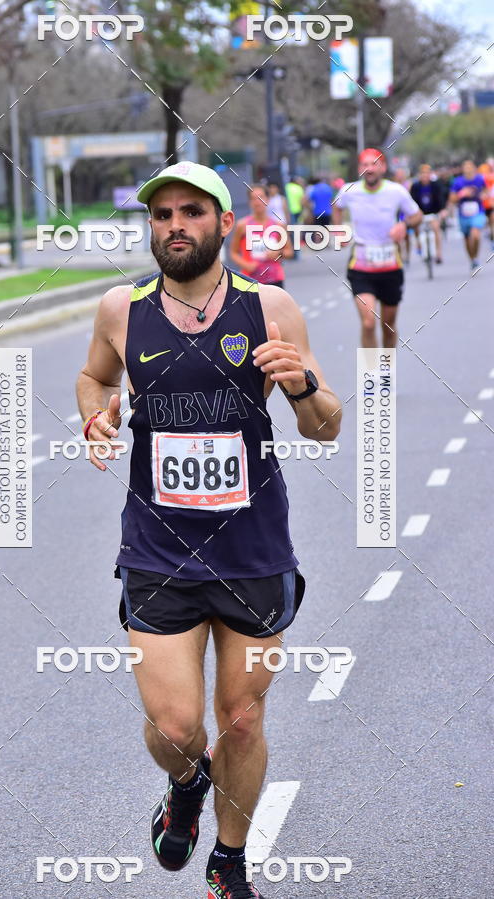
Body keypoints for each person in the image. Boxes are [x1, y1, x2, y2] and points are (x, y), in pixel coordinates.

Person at [76, 161, 341, 899]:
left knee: (243, 724)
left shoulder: (271, 308)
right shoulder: (121, 310)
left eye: (192, 212)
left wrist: (304, 384)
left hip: (253, 549)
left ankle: (228, 859)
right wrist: (94, 410)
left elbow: (326, 429)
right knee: (174, 727)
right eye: (162, 215)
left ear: (224, 223)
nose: (175, 226)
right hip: (158, 550)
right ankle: (187, 784)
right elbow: (94, 376)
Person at [332, 148, 422, 348]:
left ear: (383, 167)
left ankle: (386, 372)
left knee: (388, 325)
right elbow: (336, 206)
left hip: (390, 264)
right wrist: (338, 230)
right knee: (369, 322)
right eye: (365, 164)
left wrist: (404, 225)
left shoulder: (396, 191)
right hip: (361, 266)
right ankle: (370, 374)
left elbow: (417, 215)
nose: (369, 169)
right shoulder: (349, 190)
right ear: (359, 169)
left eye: (374, 164)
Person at [230, 183, 292, 287]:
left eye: (261, 197)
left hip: (275, 278)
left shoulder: (278, 226)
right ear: (250, 202)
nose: (257, 202)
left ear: (268, 200)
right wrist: (246, 265)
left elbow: (289, 251)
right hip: (250, 280)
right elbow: (233, 252)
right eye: (253, 199)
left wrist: (278, 252)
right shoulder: (242, 225)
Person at [449, 159, 487, 270]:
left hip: (478, 212)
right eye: (466, 167)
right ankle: (472, 259)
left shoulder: (479, 179)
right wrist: (462, 194)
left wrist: (483, 195)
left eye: (470, 167)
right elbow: (452, 198)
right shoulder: (458, 182)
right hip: (463, 214)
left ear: (474, 168)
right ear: (463, 169)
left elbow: (485, 191)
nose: (468, 169)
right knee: (466, 239)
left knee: (475, 235)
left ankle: (475, 257)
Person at [410, 164, 447, 264]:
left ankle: (438, 253)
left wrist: (442, 210)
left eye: (427, 174)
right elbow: (411, 201)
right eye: (423, 174)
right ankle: (419, 244)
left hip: (433, 212)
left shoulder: (435, 185)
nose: (425, 176)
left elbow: (441, 198)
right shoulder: (415, 186)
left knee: (436, 228)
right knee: (416, 226)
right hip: (420, 213)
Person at [284, 176, 305, 259]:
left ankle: (289, 250)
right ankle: (297, 250)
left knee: (288, 231)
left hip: (288, 212)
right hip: (297, 211)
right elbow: (302, 200)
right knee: (297, 230)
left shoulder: (286, 187)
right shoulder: (298, 188)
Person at [478, 161, 494, 250]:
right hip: (484, 203)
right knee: (488, 221)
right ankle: (490, 235)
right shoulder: (482, 176)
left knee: (492, 220)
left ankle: (493, 239)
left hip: (492, 203)